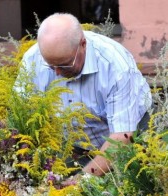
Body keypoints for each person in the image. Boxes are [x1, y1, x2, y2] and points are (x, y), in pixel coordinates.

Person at [17, 13, 152, 176]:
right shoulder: (33, 59)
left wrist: (81, 182)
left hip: (131, 140)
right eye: (51, 66)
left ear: (83, 44)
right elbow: (22, 117)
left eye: (64, 65)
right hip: (74, 146)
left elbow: (121, 137)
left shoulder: (115, 66)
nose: (58, 73)